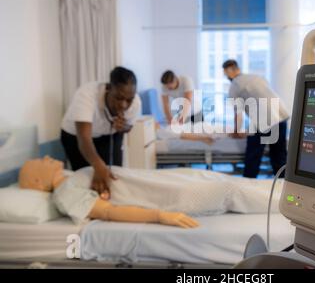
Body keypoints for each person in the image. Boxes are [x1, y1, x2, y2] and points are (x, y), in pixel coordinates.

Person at [18, 157, 280, 226]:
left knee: (230, 180)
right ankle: (296, 201)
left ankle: (294, 187)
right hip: (167, 197)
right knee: (231, 190)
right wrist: (159, 216)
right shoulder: (65, 192)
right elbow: (107, 212)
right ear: (38, 181)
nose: (47, 156)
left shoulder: (72, 177)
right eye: (39, 161)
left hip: (169, 181)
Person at [60, 66, 142, 200]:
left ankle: (113, 208)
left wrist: (123, 127)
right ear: (108, 88)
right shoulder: (86, 95)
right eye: (118, 98)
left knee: (114, 174)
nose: (124, 105)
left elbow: (129, 128)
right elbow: (84, 139)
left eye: (128, 100)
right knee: (87, 177)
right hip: (75, 138)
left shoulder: (135, 102)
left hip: (108, 134)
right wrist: (98, 167)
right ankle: (91, 210)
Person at [223, 60, 289, 178]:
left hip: (263, 118)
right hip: (279, 114)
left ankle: (247, 185)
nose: (225, 76)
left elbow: (238, 113)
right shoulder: (257, 77)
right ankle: (281, 187)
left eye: (225, 73)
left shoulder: (234, 85)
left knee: (253, 157)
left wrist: (236, 132)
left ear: (229, 71)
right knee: (279, 156)